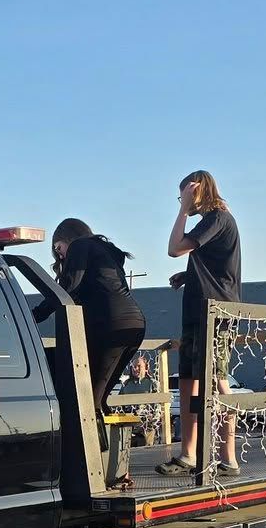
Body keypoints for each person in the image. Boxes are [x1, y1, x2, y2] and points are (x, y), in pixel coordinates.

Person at [159, 169, 242, 475]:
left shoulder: (217, 217)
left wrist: (182, 209)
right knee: (189, 378)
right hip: (198, 309)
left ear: (196, 191)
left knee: (217, 380)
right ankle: (188, 454)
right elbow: (217, 263)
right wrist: (189, 275)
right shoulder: (214, 221)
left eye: (183, 194)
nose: (181, 201)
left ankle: (229, 457)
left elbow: (175, 248)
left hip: (215, 313)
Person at [50, 216, 147, 429]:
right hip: (134, 324)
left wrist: (36, 313)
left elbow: (68, 287)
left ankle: (91, 458)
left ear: (68, 239)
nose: (60, 254)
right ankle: (106, 449)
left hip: (110, 324)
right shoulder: (104, 252)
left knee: (88, 401)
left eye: (59, 248)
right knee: (101, 396)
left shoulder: (79, 246)